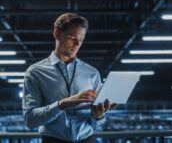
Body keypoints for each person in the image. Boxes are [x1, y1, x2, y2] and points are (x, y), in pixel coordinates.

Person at [22, 13, 114, 143]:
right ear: (57, 34)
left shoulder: (92, 73)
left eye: (81, 39)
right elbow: (30, 120)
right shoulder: (35, 72)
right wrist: (62, 104)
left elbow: (96, 125)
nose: (77, 44)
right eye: (72, 37)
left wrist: (98, 116)